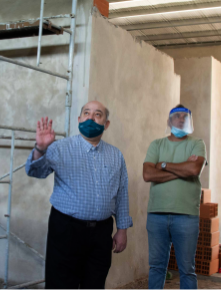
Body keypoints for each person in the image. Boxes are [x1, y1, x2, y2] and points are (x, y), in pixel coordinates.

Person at [25, 101, 133, 290]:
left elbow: (122, 192)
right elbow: (36, 172)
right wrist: (41, 149)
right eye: (86, 113)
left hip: (101, 233)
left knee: (95, 284)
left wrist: (122, 229)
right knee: (61, 285)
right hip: (66, 230)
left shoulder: (116, 155)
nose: (91, 118)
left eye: (97, 114)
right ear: (79, 119)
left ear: (106, 124)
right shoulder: (60, 148)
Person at [142, 105, 208, 290]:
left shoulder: (197, 143)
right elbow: (147, 174)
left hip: (186, 215)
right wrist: (182, 170)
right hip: (157, 214)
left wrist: (162, 165)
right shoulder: (157, 144)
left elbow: (194, 170)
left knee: (187, 269)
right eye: (177, 116)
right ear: (169, 121)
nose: (181, 120)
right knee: (156, 267)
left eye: (185, 117)